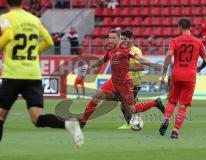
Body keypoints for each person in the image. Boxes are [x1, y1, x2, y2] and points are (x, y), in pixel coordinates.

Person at [0, 0, 83, 146]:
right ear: (23, 2)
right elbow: (49, 42)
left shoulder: (5, 18)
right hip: (33, 75)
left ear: (7, 3)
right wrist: (32, 52)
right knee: (37, 118)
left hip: (13, 74)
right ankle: (68, 123)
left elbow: (7, 35)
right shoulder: (34, 19)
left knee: (0, 116)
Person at [80, 30, 165, 129]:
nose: (111, 40)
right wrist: (90, 67)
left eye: (113, 38)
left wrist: (152, 65)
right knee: (96, 97)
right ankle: (82, 122)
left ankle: (155, 103)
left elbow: (140, 60)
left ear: (119, 39)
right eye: (109, 38)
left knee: (131, 110)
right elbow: (103, 59)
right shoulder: (111, 49)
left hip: (125, 83)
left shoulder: (127, 50)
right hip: (113, 81)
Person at [159, 18, 206, 139]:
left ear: (180, 27)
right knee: (183, 105)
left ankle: (166, 119)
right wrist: (199, 68)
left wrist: (164, 71)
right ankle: (175, 130)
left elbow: (169, 54)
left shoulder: (175, 40)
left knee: (172, 101)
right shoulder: (198, 42)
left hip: (176, 74)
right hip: (190, 75)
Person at [117, 30, 145, 129]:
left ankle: (129, 123)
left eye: (125, 39)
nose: (122, 41)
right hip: (123, 83)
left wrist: (127, 67)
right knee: (123, 105)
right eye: (121, 39)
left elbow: (142, 67)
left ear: (131, 40)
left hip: (134, 82)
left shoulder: (136, 51)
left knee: (126, 105)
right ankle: (130, 122)